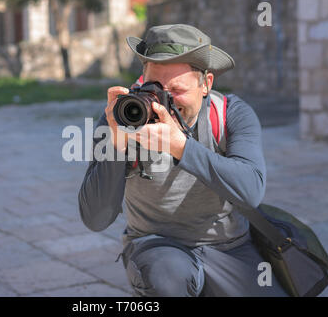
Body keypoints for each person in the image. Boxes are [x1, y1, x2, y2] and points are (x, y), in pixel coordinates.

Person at [78, 24, 288, 297]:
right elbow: (96, 219)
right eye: (154, 87)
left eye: (176, 90)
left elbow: (250, 192)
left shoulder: (231, 114)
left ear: (206, 84)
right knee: (168, 279)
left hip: (230, 247)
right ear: (142, 78)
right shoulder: (123, 117)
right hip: (157, 247)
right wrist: (116, 145)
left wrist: (181, 147)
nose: (163, 102)